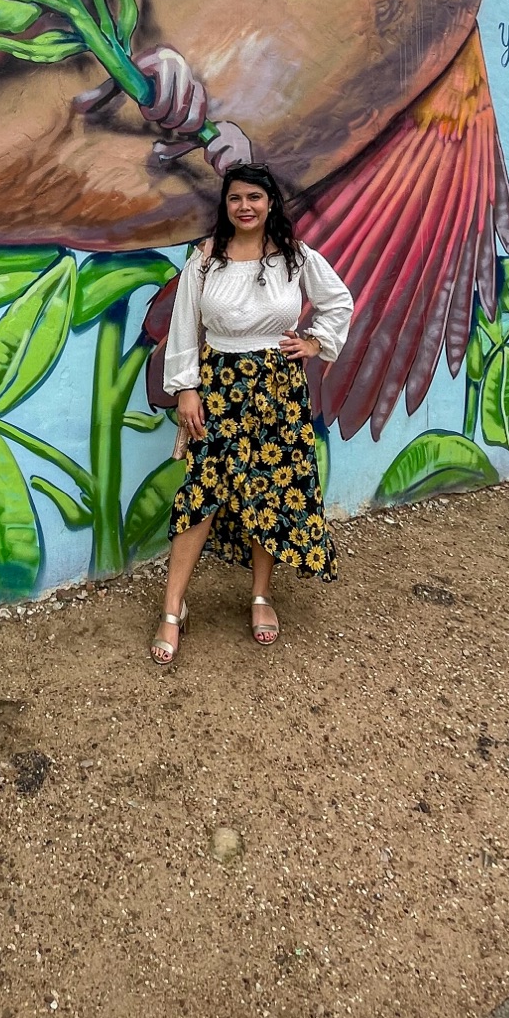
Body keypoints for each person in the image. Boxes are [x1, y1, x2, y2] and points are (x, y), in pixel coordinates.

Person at [151, 163, 353, 665]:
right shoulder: (206, 259)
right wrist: (186, 389)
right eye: (236, 198)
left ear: (270, 203)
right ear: (226, 205)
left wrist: (315, 343)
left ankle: (261, 595)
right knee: (201, 492)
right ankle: (173, 607)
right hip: (219, 387)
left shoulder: (295, 257)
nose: (245, 206)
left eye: (254, 197)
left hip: (278, 388)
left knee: (270, 488)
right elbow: (184, 325)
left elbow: (338, 302)